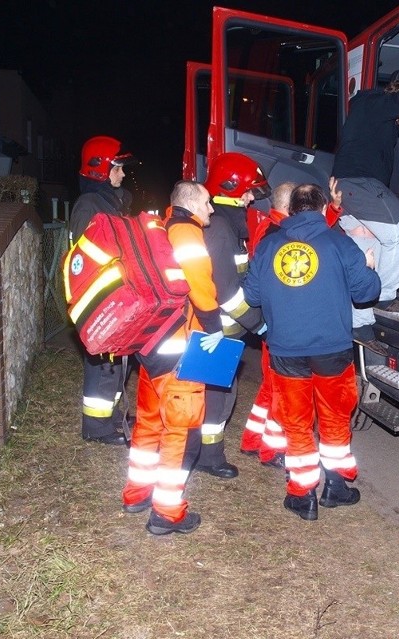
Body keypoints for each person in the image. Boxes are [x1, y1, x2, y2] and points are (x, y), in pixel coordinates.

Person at [243, 184, 381, 521]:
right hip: (332, 348)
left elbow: (252, 295)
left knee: (296, 423)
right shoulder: (339, 243)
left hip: (286, 350)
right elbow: (367, 292)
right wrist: (370, 267)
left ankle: (303, 497)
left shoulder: (270, 244)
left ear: (290, 210)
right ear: (322, 209)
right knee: (334, 419)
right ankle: (336, 486)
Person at [121, 180, 222, 535]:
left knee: (149, 424)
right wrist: (214, 326)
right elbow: (199, 285)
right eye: (207, 202)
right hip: (179, 351)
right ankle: (166, 513)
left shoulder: (160, 230)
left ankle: (136, 494)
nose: (211, 208)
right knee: (182, 434)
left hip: (151, 347)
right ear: (191, 203)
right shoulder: (187, 234)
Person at [240, 178, 343, 467]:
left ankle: (251, 441)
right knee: (278, 393)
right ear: (289, 208)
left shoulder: (272, 230)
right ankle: (271, 450)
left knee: (270, 388)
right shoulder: (275, 235)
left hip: (275, 325)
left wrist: (332, 208)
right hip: (279, 327)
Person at [331, 57, 399, 344]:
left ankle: (359, 326)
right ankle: (384, 296)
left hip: (350, 186)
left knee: (367, 245)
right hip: (359, 183)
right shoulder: (372, 102)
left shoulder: (373, 118)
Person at [194, 152, 270, 479]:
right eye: (249, 192)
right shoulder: (222, 230)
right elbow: (226, 293)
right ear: (230, 188)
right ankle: (208, 458)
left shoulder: (228, 226)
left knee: (221, 395)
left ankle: (205, 453)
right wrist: (261, 325)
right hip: (214, 332)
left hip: (224, 332)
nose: (252, 198)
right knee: (215, 400)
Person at [69, 135, 138, 445]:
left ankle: (109, 416)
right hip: (101, 298)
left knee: (115, 361)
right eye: (117, 167)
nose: (122, 174)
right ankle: (96, 427)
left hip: (118, 295)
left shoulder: (110, 202)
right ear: (100, 169)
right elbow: (85, 260)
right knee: (102, 364)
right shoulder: (89, 206)